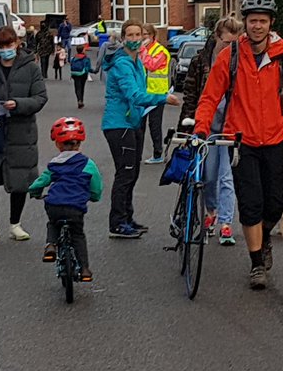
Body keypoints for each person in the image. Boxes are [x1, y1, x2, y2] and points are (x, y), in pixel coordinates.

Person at [193, 0, 283, 290]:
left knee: (275, 204)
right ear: (245, 22)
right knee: (251, 202)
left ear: (271, 23)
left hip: (274, 140)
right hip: (241, 141)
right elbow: (209, 98)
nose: (257, 26)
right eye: (252, 20)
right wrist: (202, 129)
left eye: (262, 21)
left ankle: (264, 237)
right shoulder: (229, 56)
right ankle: (257, 263)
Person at [101, 19, 180, 238]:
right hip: (119, 124)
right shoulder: (123, 64)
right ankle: (117, 223)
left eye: (140, 35)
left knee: (132, 173)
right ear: (123, 37)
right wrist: (164, 98)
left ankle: (127, 218)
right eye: (131, 35)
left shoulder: (136, 62)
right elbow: (134, 95)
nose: (136, 39)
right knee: (125, 174)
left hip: (131, 123)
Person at [0, 24, 47, 244]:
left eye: (9, 44)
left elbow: (40, 97)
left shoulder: (31, 68)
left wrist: (19, 104)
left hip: (21, 132)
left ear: (17, 43)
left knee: (19, 178)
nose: (6, 49)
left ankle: (16, 224)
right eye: (2, 46)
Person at [181, 16, 242, 245]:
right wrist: (188, 123)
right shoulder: (201, 61)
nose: (231, 48)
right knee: (208, 176)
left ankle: (226, 224)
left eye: (235, 44)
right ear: (217, 37)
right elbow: (190, 93)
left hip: (229, 128)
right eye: (227, 43)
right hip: (207, 127)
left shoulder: (240, 61)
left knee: (227, 177)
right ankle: (211, 212)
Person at [28, 117, 103, 283]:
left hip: (54, 204)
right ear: (80, 144)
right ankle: (84, 269)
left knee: (53, 224)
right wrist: (94, 197)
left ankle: (50, 245)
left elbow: (40, 182)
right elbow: (96, 186)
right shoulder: (88, 164)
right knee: (77, 235)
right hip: (75, 207)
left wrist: (34, 192)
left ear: (57, 144)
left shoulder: (55, 164)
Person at [140, 23, 172, 164]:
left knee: (154, 125)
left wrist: (143, 51)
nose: (142, 37)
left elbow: (151, 65)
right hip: (143, 94)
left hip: (157, 93)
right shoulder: (142, 50)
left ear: (152, 36)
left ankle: (158, 153)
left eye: (145, 34)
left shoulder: (160, 51)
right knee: (138, 125)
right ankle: (136, 154)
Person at [70, 44, 94, 109]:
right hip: (83, 74)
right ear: (83, 50)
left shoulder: (74, 58)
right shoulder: (86, 58)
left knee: (77, 87)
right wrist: (94, 71)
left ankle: (79, 100)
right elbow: (88, 68)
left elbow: (71, 65)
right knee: (82, 87)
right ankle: (81, 100)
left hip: (75, 74)